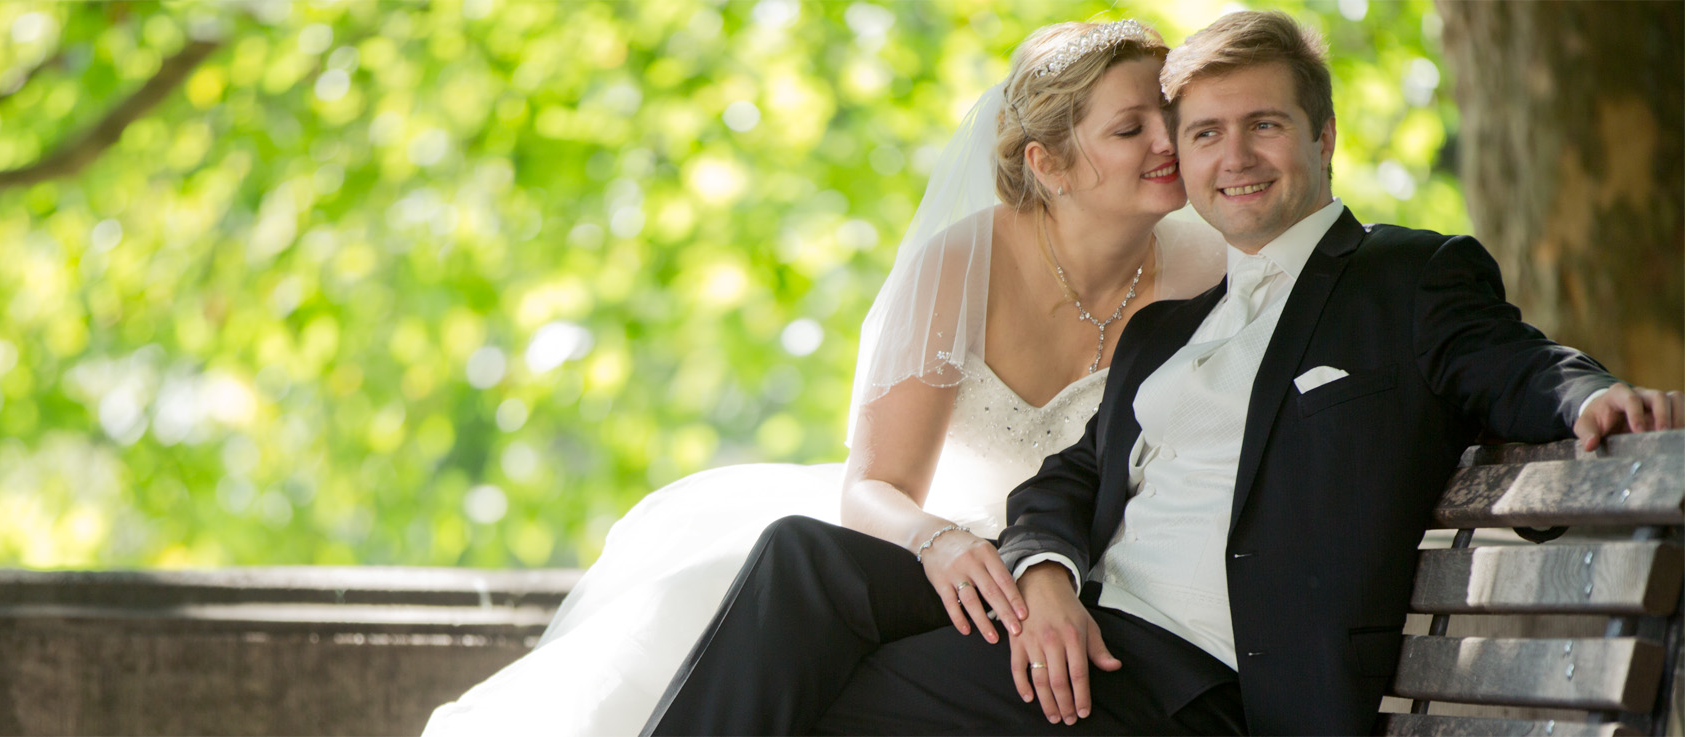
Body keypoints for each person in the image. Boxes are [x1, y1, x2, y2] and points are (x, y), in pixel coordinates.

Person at [642, 10, 1684, 737]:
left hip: (1200, 684)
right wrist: (1045, 575)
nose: (1232, 156)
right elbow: (1063, 484)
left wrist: (1590, 395)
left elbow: (1508, 358)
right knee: (801, 562)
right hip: (1089, 628)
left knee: (823, 697)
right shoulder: (1169, 324)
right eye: (1204, 133)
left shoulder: (1403, 276)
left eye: (1265, 124)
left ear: (1322, 136)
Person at [422, 20, 1226, 737]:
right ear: (1048, 164)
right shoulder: (959, 267)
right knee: (780, 577)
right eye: (1131, 128)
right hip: (947, 547)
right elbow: (874, 485)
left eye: (1170, 116)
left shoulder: (1209, 269)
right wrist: (937, 543)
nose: (1168, 141)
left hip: (1102, 562)